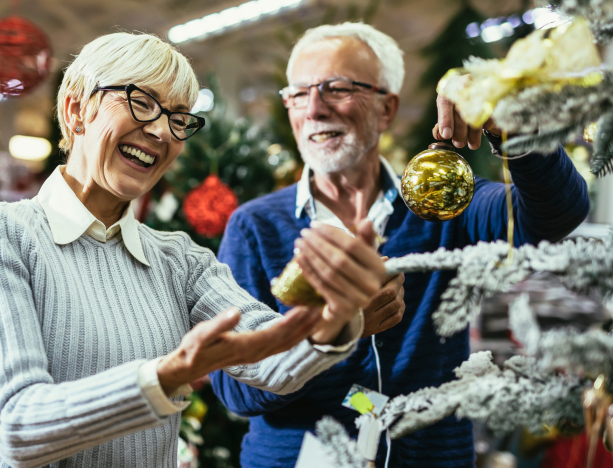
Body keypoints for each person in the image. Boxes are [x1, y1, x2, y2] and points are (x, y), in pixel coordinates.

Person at [0, 32, 387, 468]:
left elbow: (270, 361)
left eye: (178, 118)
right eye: (141, 102)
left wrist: (333, 320)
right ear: (76, 109)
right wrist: (165, 377)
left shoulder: (180, 261)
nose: (160, 131)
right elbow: (16, 425)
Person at [209, 22, 590, 468]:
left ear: (387, 108)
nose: (314, 107)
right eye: (298, 93)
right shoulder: (255, 226)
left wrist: (513, 125)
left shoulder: (443, 198)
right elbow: (234, 388)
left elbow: (556, 215)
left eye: (337, 88)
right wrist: (337, 328)